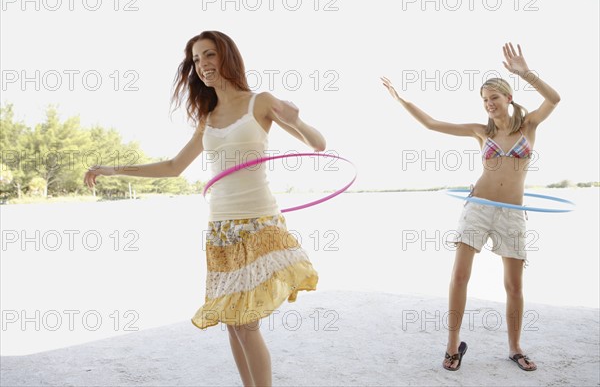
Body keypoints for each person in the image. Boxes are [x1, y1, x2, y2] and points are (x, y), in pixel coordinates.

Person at [84, 30, 326, 386]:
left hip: (258, 222)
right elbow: (172, 167)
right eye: (196, 59)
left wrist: (298, 119)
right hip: (221, 228)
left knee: (245, 320)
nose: (203, 65)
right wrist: (114, 169)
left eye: (209, 55)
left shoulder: (259, 101)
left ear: (226, 56)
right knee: (232, 320)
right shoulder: (207, 116)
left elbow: (318, 144)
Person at [381, 43, 560, 372]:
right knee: (460, 276)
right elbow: (432, 124)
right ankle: (452, 346)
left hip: (511, 213)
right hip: (478, 208)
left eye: (494, 97)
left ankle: (515, 347)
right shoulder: (480, 132)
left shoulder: (529, 127)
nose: (489, 104)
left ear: (508, 97)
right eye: (484, 100)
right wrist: (401, 100)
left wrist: (525, 73)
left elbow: (554, 99)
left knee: (514, 286)